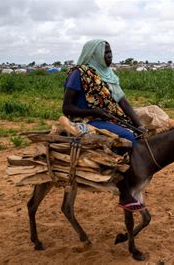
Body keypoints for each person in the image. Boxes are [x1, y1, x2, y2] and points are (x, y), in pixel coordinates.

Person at [62, 39, 145, 211]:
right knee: (127, 137)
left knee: (136, 133)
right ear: (94, 55)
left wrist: (139, 125)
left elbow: (123, 102)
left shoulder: (108, 74)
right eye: (106, 53)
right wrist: (95, 112)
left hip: (107, 118)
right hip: (87, 121)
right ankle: (124, 192)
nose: (110, 56)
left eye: (110, 52)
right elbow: (66, 107)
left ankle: (132, 178)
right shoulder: (79, 74)